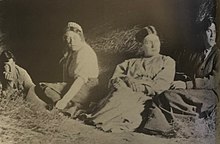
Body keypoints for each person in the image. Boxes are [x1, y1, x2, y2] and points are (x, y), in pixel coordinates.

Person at [85, 26, 175, 133]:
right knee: (119, 94)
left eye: (156, 41)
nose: (153, 45)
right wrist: (127, 80)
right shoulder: (130, 62)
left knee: (127, 101)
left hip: (145, 96)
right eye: (148, 42)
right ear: (142, 46)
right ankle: (99, 118)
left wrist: (141, 86)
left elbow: (162, 83)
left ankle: (106, 119)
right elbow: (114, 79)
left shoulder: (166, 61)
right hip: (124, 90)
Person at [141, 18, 220, 137]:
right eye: (209, 31)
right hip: (194, 91)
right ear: (202, 34)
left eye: (214, 31)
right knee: (161, 96)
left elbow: (214, 80)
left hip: (210, 94)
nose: (212, 35)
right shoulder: (197, 54)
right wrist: (178, 81)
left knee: (167, 96)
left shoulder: (217, 55)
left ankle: (188, 122)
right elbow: (187, 73)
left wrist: (187, 84)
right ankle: (163, 128)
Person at [27, 22, 99, 116]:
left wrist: (63, 101)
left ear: (81, 38)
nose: (71, 42)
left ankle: (67, 106)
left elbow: (79, 81)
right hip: (74, 84)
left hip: (87, 87)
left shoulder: (84, 52)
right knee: (42, 88)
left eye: (75, 38)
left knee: (44, 87)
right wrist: (63, 89)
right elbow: (66, 79)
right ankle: (71, 105)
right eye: (68, 38)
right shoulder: (70, 51)